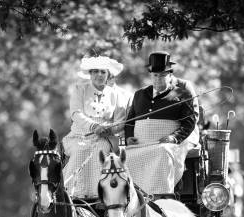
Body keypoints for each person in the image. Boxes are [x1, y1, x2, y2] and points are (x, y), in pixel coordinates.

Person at [123, 51, 200, 195]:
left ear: (170, 74)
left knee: (162, 152)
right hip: (141, 144)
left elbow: (190, 121)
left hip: (169, 143)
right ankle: (131, 198)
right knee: (123, 157)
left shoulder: (182, 90)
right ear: (151, 75)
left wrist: (174, 138)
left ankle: (161, 196)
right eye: (155, 76)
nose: (158, 80)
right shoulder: (140, 94)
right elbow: (130, 121)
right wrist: (128, 137)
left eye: (163, 75)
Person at [62, 55, 129, 199]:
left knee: (101, 152)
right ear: (90, 74)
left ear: (108, 75)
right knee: (81, 150)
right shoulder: (80, 89)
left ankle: (99, 196)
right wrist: (93, 126)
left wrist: (110, 129)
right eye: (96, 71)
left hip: (104, 138)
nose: (99, 75)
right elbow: (76, 113)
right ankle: (72, 194)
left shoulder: (115, 94)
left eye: (103, 72)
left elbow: (120, 120)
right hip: (80, 135)